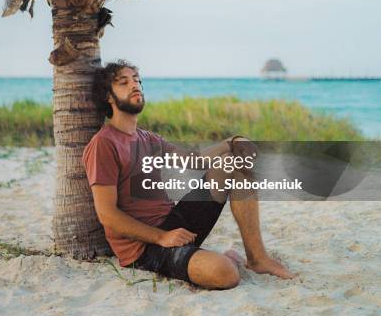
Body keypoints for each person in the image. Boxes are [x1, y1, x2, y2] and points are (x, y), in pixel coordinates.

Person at [83, 60, 294, 290]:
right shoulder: (104, 144)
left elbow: (194, 160)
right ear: (109, 97)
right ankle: (224, 260)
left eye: (137, 80)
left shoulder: (148, 139)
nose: (135, 86)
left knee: (234, 164)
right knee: (225, 274)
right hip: (145, 248)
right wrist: (161, 238)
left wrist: (231, 142)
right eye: (124, 83)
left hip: (174, 223)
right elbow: (107, 215)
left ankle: (257, 259)